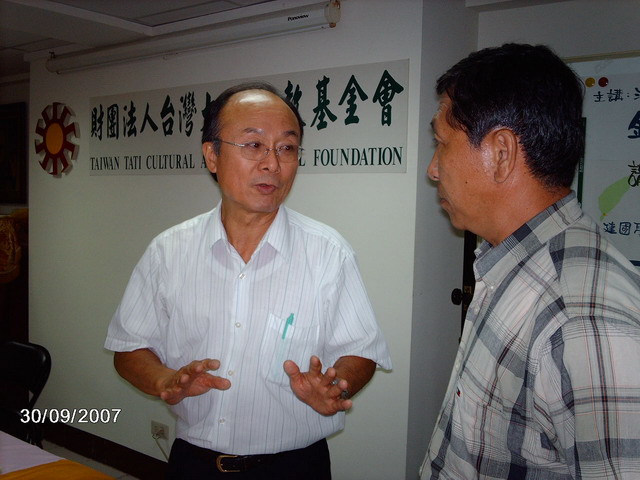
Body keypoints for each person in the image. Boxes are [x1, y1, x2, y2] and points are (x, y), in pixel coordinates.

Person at [105, 81, 391, 479]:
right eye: (254, 145)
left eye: (287, 147)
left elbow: (360, 351)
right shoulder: (168, 251)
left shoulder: (328, 253)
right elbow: (129, 347)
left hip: (294, 467)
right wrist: (165, 379)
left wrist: (335, 385)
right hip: (194, 463)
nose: (272, 163)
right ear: (212, 155)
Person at [422, 43, 640, 479]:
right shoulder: (507, 262)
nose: (433, 169)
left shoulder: (582, 323)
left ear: (501, 153)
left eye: (442, 144)